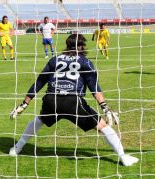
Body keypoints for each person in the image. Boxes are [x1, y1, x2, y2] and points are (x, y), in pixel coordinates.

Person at [9, 34, 139, 167]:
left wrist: (24, 104)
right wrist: (104, 107)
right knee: (103, 126)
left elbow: (39, 82)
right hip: (72, 101)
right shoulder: (85, 62)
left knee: (39, 120)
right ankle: (123, 157)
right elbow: (94, 88)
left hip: (51, 99)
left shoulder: (55, 60)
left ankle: (16, 149)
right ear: (82, 46)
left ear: (67, 45)